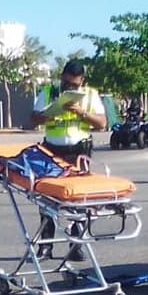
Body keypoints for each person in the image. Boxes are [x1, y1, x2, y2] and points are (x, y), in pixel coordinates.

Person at [29, 60, 107, 259]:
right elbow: (34, 119)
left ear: (82, 81)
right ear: (61, 77)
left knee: (79, 200)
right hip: (51, 151)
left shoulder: (90, 95)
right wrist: (52, 111)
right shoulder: (47, 92)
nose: (70, 87)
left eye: (75, 85)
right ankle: (46, 246)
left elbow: (102, 123)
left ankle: (76, 245)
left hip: (79, 151)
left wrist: (81, 113)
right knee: (46, 199)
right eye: (67, 83)